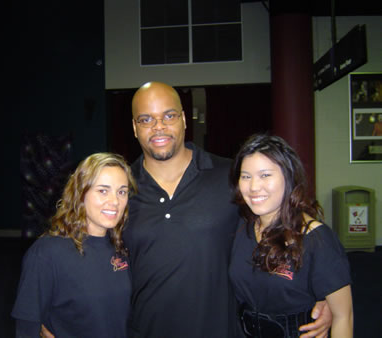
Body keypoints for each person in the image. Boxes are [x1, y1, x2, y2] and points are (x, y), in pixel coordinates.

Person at [122, 81, 332, 338]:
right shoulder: (121, 189)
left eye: (169, 115)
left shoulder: (230, 176)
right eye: (146, 119)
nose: (159, 126)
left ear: (184, 119)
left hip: (220, 328)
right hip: (145, 330)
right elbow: (91, 249)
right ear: (134, 128)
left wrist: (323, 293)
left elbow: (281, 223)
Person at [229, 134, 353, 338]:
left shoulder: (316, 239)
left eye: (265, 175)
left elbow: (343, 317)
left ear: (288, 177)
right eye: (246, 176)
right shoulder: (242, 227)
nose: (253, 187)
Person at [11, 152, 137, 338]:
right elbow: (27, 326)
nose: (115, 202)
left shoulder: (122, 247)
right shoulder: (47, 253)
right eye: (103, 190)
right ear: (80, 193)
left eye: (122, 192)